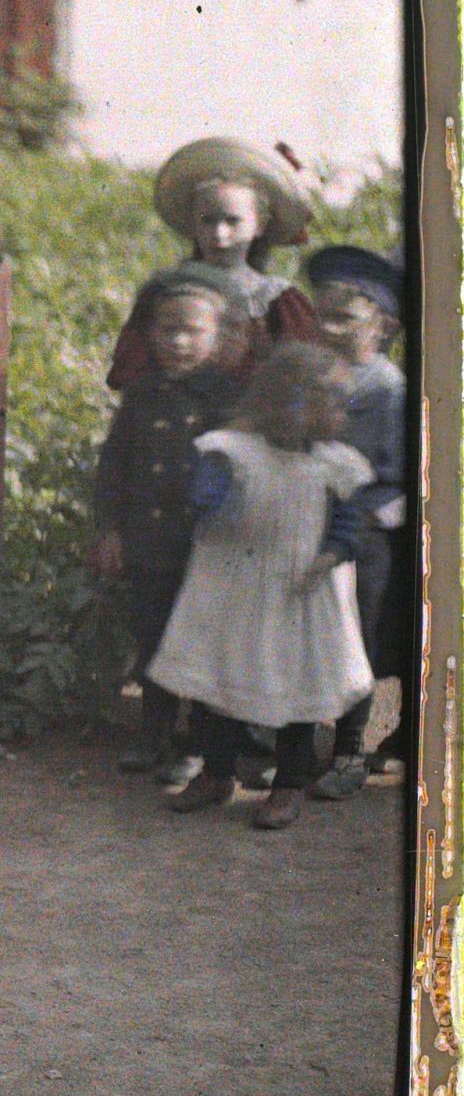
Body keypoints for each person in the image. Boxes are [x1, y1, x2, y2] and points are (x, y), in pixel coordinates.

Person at [149, 343, 375, 830]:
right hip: (237, 588)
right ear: (277, 401)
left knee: (297, 690)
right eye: (321, 401)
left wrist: (330, 555)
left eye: (337, 405)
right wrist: (206, 497)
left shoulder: (337, 466)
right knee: (223, 682)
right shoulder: (232, 452)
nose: (333, 414)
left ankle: (288, 784)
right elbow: (203, 501)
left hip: (301, 592)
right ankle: (216, 773)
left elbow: (350, 526)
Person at [93, 264, 247, 778]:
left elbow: (236, 473)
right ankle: (153, 734)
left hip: (204, 543)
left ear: (219, 337)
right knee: (153, 637)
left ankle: (198, 743)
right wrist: (110, 530)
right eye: (168, 330)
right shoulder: (141, 396)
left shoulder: (226, 399)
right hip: (149, 541)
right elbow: (114, 465)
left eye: (193, 331)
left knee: (202, 641)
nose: (179, 342)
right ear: (151, 333)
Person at [303, 246, 411, 800]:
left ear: (384, 324)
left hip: (362, 533)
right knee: (300, 631)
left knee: (354, 640)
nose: (328, 328)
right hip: (305, 524)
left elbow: (395, 474)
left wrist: (361, 519)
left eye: (343, 318)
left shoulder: (388, 389)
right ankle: (293, 747)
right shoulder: (310, 375)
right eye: (322, 316)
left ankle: (349, 749)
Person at [107, 136, 320, 392]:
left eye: (233, 222)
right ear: (193, 223)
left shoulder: (275, 299)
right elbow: (131, 373)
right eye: (208, 221)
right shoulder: (167, 291)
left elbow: (303, 379)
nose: (220, 234)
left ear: (260, 225)